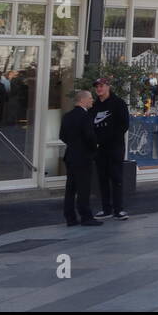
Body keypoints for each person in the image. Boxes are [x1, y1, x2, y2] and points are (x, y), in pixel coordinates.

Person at [90, 76, 131, 220]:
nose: (99, 89)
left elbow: (124, 125)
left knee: (116, 177)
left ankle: (118, 209)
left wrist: (110, 139)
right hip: (99, 149)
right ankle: (106, 208)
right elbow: (90, 126)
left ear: (108, 87)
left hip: (115, 147)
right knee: (102, 178)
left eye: (102, 86)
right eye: (97, 86)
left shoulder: (118, 103)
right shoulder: (94, 106)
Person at [60, 90, 103, 227]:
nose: (92, 100)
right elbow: (90, 136)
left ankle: (70, 217)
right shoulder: (85, 116)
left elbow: (62, 135)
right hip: (83, 157)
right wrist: (93, 147)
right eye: (90, 98)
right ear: (83, 100)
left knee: (70, 188)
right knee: (83, 188)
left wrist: (73, 145)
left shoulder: (67, 116)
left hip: (71, 156)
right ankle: (86, 216)